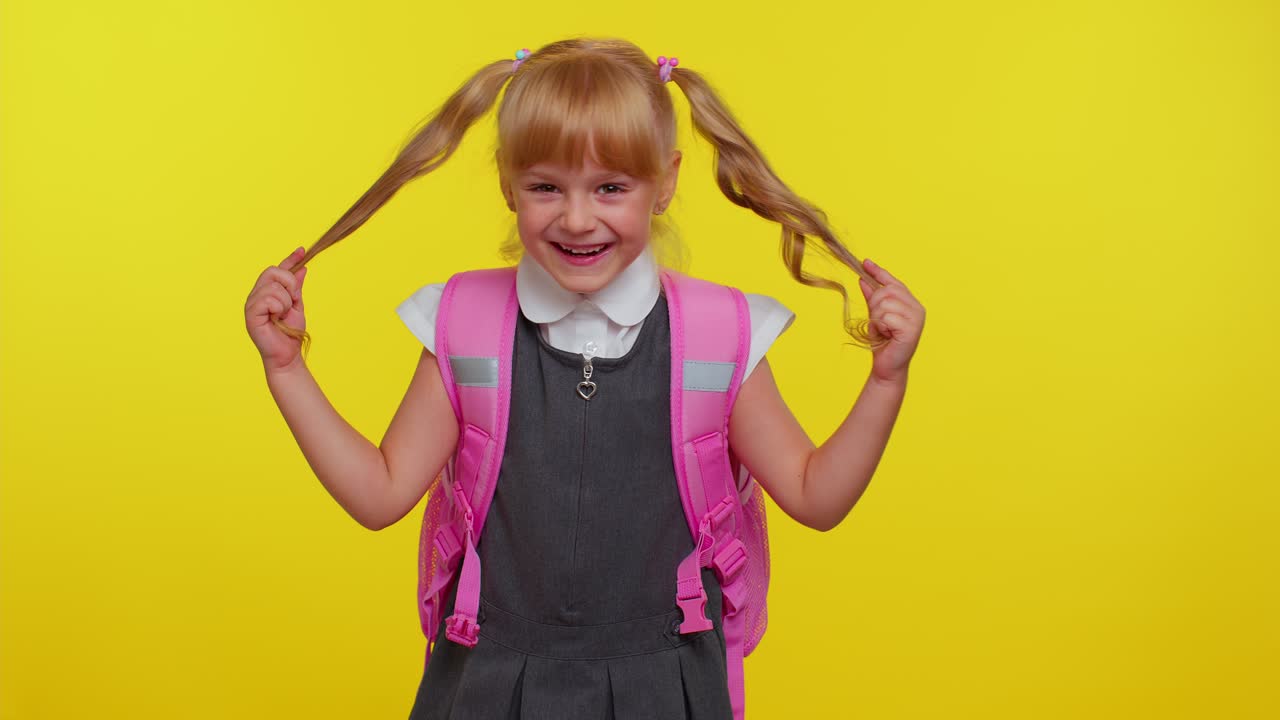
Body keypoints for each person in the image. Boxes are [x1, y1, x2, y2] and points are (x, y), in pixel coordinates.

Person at [244, 37, 925, 720]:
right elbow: (379, 494)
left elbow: (816, 496)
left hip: (667, 687)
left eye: (610, 187)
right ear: (508, 183)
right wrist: (287, 367)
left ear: (665, 182)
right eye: (545, 187)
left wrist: (885, 383)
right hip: (486, 679)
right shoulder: (462, 326)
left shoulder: (721, 337)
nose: (576, 218)